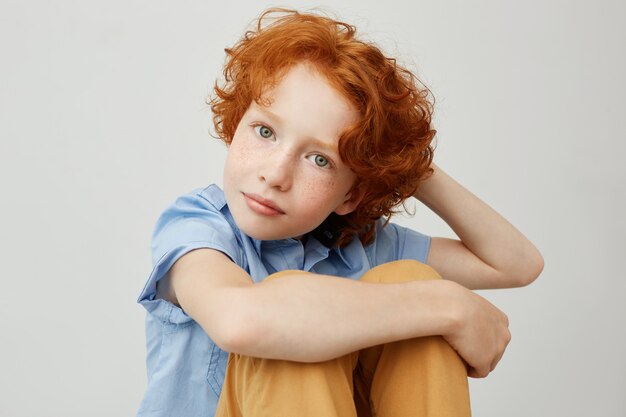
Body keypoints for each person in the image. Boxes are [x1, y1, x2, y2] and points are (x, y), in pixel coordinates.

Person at [136, 8, 544, 417]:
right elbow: (241, 321)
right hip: (264, 327)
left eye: (320, 159)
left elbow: (516, 264)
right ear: (237, 120)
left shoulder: (357, 245)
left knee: (407, 278)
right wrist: (448, 306)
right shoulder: (197, 227)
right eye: (265, 131)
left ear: (351, 194)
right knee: (290, 323)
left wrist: (404, 162)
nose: (276, 174)